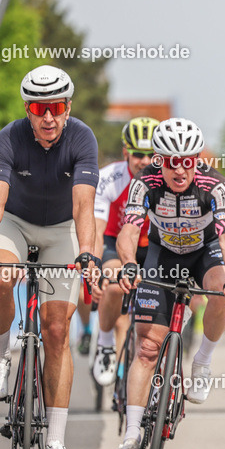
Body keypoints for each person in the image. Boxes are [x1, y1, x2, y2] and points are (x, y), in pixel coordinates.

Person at [0, 65, 100, 449]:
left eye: (56, 107)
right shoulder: (8, 138)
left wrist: (88, 254)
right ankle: (1, 358)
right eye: (40, 108)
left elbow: (82, 207)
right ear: (28, 109)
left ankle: (55, 441)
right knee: (0, 277)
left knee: (57, 329)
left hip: (62, 228)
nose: (48, 118)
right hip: (16, 223)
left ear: (68, 106)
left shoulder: (82, 137)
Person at [112, 118, 225, 449]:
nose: (181, 169)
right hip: (163, 253)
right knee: (147, 348)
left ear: (197, 158)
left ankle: (203, 360)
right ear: (159, 159)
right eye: (173, 161)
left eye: (188, 160)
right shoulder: (145, 183)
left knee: (218, 289)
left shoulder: (215, 185)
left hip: (204, 252)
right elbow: (128, 231)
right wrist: (128, 263)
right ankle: (131, 435)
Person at [90, 117, 158, 386]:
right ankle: (105, 343)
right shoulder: (109, 178)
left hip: (151, 246)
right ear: (125, 153)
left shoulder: (167, 180)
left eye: (151, 154)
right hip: (113, 242)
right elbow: (96, 229)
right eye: (138, 154)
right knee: (116, 285)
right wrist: (94, 267)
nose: (144, 161)